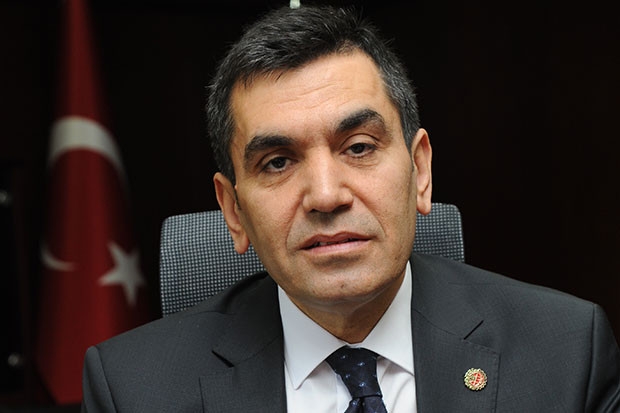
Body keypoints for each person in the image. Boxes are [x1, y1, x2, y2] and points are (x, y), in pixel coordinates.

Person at [80, 4, 620, 412]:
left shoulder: (567, 356)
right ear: (234, 211)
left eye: (359, 148)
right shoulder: (132, 390)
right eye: (277, 162)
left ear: (420, 172)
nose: (326, 196)